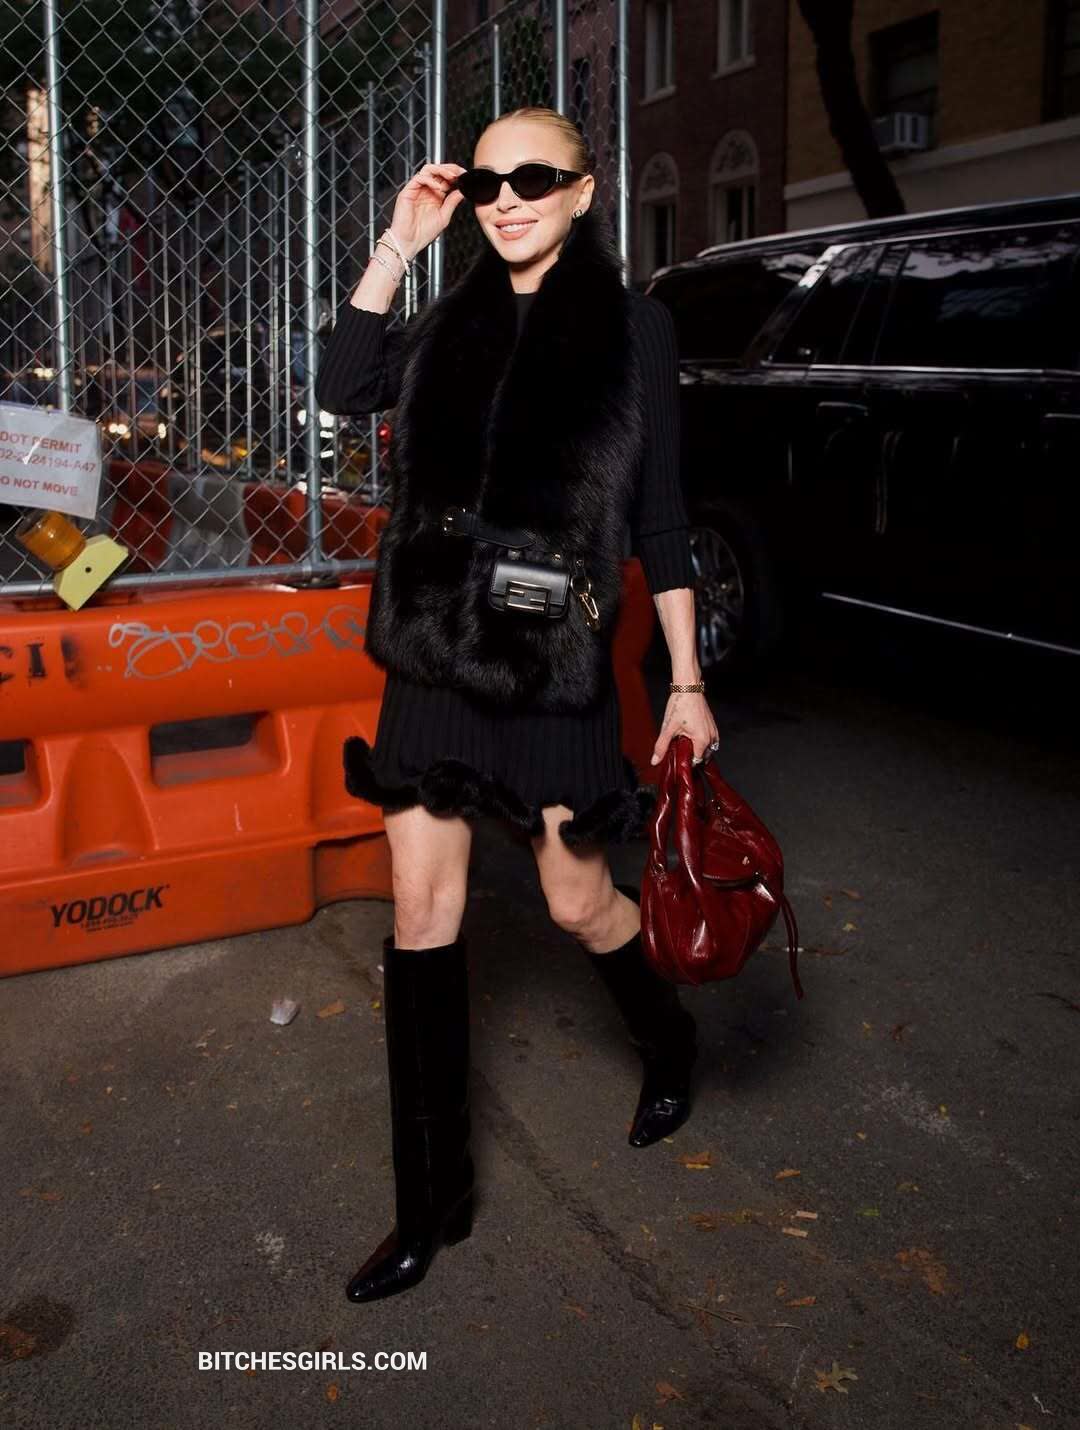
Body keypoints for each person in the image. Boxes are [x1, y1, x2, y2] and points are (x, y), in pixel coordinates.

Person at [315, 107, 719, 1304]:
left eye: (534, 177)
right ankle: (428, 1202)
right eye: (488, 182)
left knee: (576, 897)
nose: (506, 199)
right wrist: (399, 244)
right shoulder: (452, 314)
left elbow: (660, 516)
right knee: (421, 908)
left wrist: (686, 685)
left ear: (585, 192)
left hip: (553, 655)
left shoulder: (635, 327)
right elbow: (343, 385)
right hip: (436, 646)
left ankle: (669, 1037)